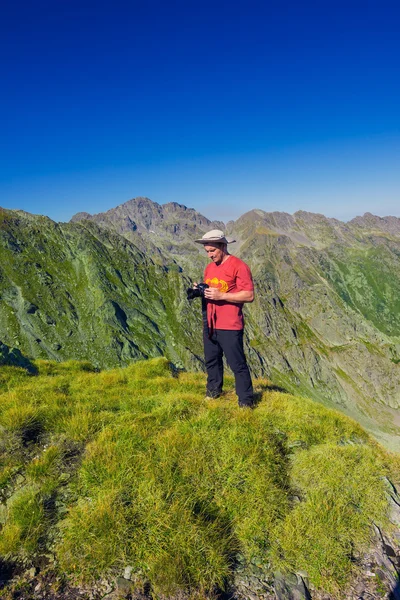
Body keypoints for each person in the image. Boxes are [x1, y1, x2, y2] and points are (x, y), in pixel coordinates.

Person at [194, 229, 255, 407]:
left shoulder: (239, 266)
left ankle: (246, 401)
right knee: (212, 360)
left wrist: (221, 296)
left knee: (237, 364)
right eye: (206, 252)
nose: (209, 255)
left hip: (230, 324)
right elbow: (213, 290)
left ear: (223, 246)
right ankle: (213, 392)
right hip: (210, 323)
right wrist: (201, 290)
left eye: (212, 251)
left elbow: (249, 295)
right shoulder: (210, 268)